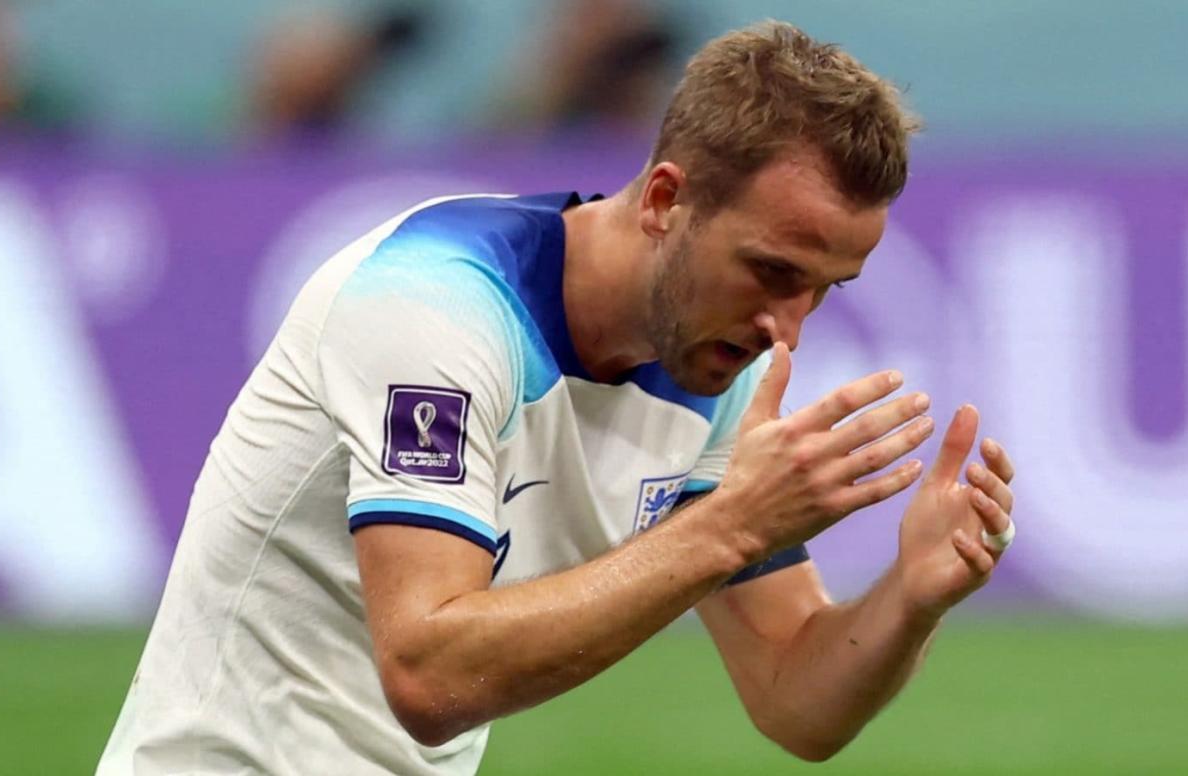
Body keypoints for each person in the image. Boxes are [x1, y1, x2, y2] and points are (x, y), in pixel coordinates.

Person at [97, 20, 1017, 775]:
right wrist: (731, 524)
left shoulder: (717, 372)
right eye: (770, 270)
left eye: (826, 288)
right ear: (665, 198)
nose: (790, 328)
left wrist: (912, 598)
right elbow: (426, 673)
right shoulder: (435, 307)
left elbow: (796, 701)